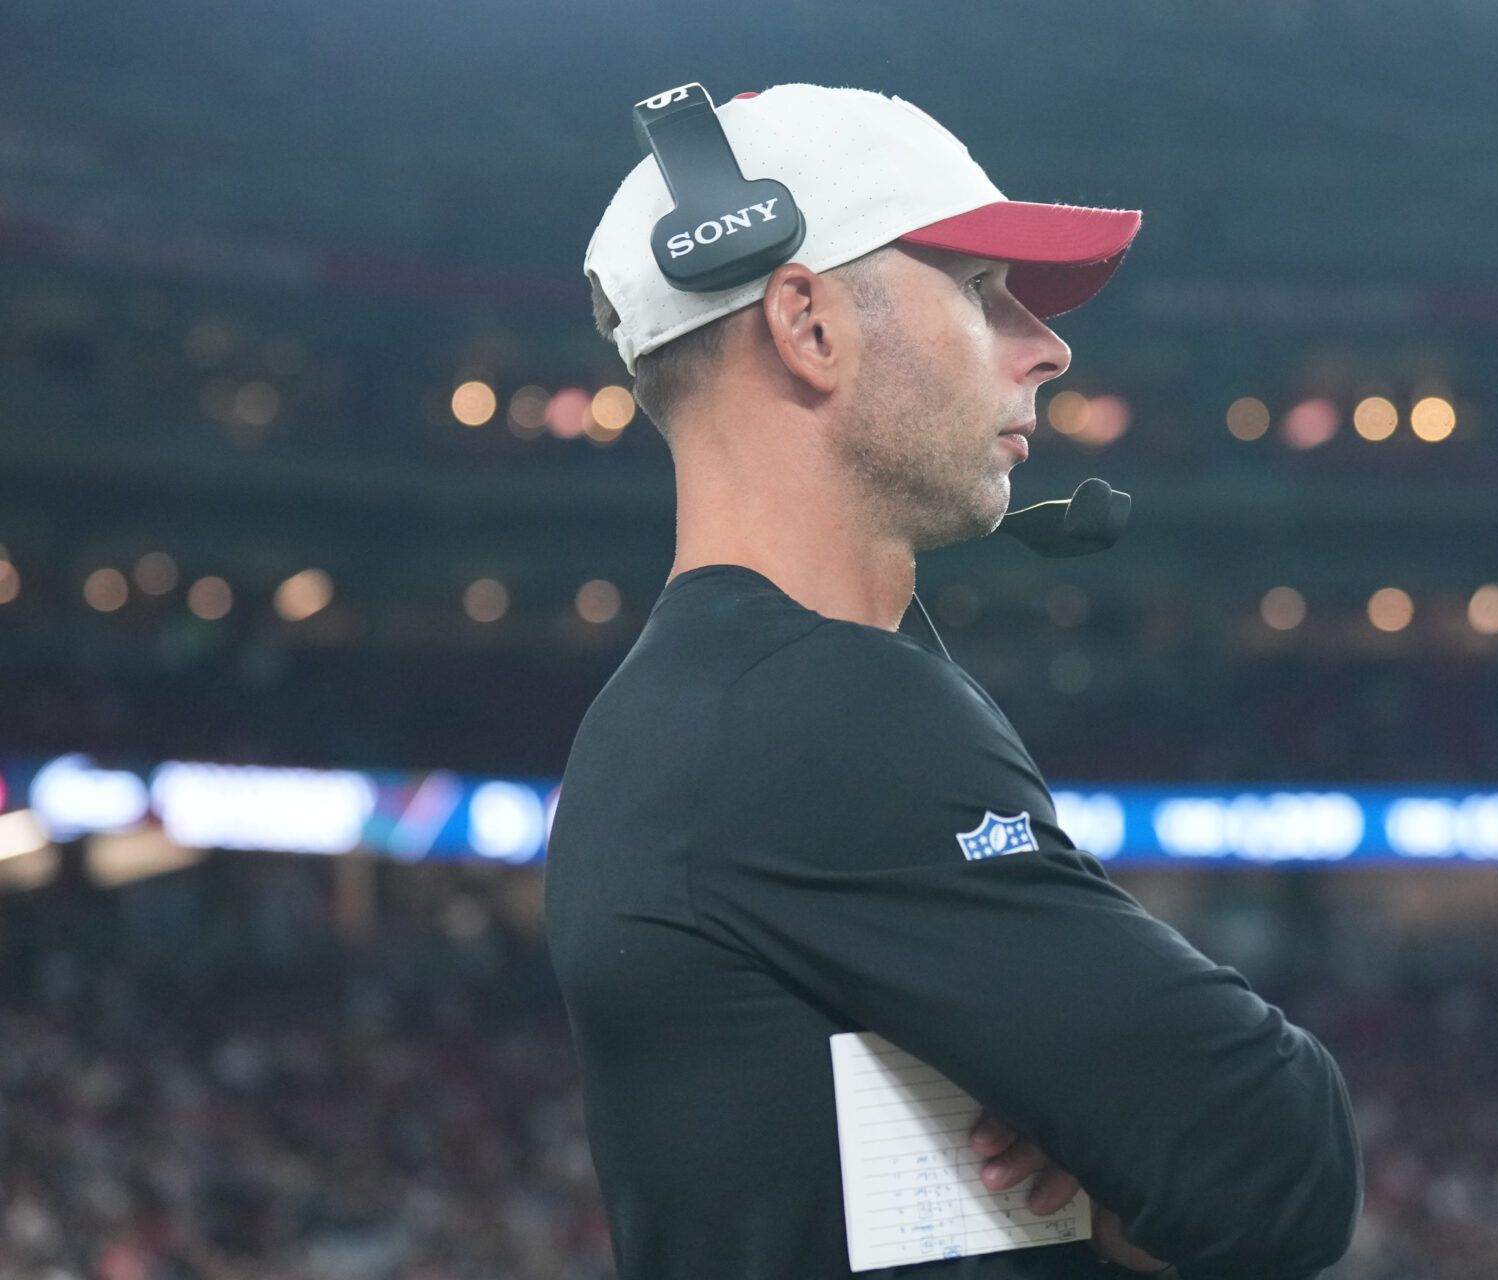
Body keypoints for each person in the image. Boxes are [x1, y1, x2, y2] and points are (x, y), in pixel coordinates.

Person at [545, 82, 1362, 1280]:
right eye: (981, 290)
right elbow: (1284, 1162)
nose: (1048, 345)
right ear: (808, 324)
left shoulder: (666, 713)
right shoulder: (822, 709)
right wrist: (1107, 1163)